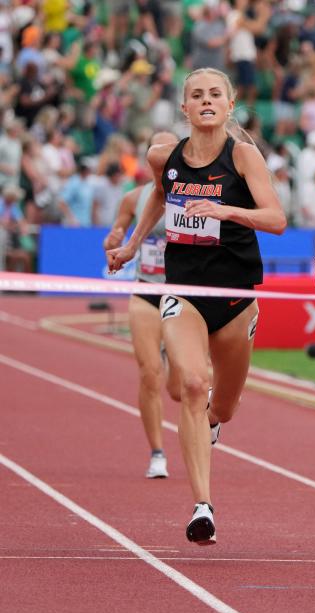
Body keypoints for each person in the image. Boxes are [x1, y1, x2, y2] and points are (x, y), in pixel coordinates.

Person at [107, 68, 286, 545]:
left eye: (215, 95)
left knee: (222, 405)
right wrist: (132, 246)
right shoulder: (163, 156)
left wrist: (226, 211)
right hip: (183, 289)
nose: (206, 101)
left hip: (235, 296)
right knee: (190, 382)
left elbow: (277, 219)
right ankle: (202, 505)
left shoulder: (243, 155)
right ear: (184, 108)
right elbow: (160, 198)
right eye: (196, 95)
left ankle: (212, 422)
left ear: (229, 106)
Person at [103, 130, 182, 479]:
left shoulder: (189, 196)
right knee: (149, 374)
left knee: (180, 388)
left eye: (171, 149)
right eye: (158, 150)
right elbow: (116, 233)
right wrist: (115, 238)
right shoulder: (134, 198)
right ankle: (157, 452)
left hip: (183, 298)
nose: (164, 156)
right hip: (146, 293)